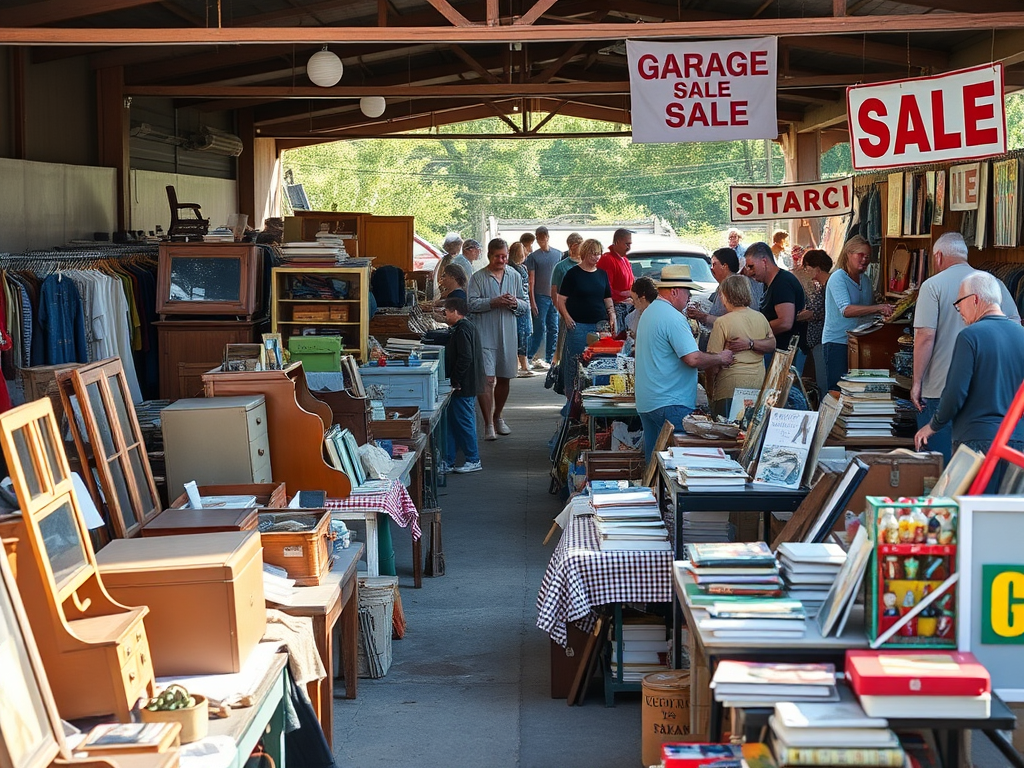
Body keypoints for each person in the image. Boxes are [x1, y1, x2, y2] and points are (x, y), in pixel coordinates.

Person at [911, 231, 1021, 464]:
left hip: (944, 396)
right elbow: (1012, 326)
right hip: (1008, 420)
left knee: (943, 472)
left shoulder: (933, 287)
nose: (959, 312)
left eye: (959, 305)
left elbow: (925, 336)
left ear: (938, 256)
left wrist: (917, 382)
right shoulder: (995, 284)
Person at [634, 264, 734, 461]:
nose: (689, 298)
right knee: (677, 464)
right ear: (674, 292)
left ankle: (654, 492)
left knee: (654, 464)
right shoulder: (673, 317)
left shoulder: (650, 312)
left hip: (648, 401)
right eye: (687, 293)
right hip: (670, 402)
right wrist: (720, 357)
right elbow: (692, 358)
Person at [468, 238, 528, 441]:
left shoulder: (515, 275)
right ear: (489, 255)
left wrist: (514, 303)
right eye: (497, 257)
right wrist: (493, 302)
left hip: (508, 333)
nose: (501, 260)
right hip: (485, 332)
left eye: (504, 256)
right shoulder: (478, 278)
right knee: (487, 379)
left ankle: (498, 415)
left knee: (504, 376)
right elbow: (471, 304)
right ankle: (487, 423)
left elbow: (525, 304)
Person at [822, 235, 893, 391]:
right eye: (860, 255)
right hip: (838, 342)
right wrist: (878, 308)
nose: (865, 259)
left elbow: (867, 311)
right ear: (848, 254)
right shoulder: (838, 278)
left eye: (868, 256)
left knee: (858, 390)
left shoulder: (866, 280)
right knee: (839, 389)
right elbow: (846, 310)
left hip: (860, 342)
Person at [705, 275, 774, 419]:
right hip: (757, 383)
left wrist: (710, 390)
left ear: (725, 296)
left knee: (726, 433)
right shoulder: (760, 317)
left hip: (730, 386)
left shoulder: (722, 322)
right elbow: (772, 344)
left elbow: (713, 363)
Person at [557, 238, 614, 403]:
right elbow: (561, 300)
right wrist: (567, 318)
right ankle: (572, 401)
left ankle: (593, 399)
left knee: (598, 363)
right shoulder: (573, 274)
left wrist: (612, 315)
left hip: (599, 326)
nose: (596, 257)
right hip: (578, 324)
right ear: (585, 253)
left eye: (598, 254)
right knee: (575, 364)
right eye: (593, 254)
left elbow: (607, 298)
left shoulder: (602, 274)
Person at [744, 241, 806, 365]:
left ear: (764, 261)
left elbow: (785, 322)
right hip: (776, 350)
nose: (749, 272)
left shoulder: (782, 283)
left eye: (751, 266)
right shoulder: (769, 284)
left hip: (783, 353)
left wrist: (756, 333)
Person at [442, 296, 484, 474]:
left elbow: (465, 356)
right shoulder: (466, 327)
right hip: (465, 383)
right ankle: (448, 460)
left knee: (465, 422)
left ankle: (473, 459)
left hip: (464, 385)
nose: (444, 316)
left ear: (454, 311)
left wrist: (455, 378)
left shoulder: (461, 330)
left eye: (446, 312)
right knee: (453, 423)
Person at [687, 247, 763, 342]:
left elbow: (733, 321)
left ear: (725, 266)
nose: (711, 269)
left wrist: (702, 316)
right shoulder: (726, 285)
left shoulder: (734, 286)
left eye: (714, 264)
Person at [795, 249, 833, 396]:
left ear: (816, 268)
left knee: (824, 382)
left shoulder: (827, 286)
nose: (806, 271)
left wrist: (793, 317)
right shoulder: (823, 286)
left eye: (807, 267)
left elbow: (814, 312)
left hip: (822, 341)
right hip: (818, 341)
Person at [526, 225, 561, 370]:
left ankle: (549, 358)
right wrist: (532, 300)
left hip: (554, 296)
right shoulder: (533, 257)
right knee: (539, 328)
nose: (541, 241)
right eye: (538, 238)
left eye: (542, 238)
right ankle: (528, 356)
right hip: (540, 296)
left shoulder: (558, 254)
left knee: (554, 328)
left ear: (547, 237)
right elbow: (531, 280)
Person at [550, 232, 583, 366]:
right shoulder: (561, 267)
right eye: (582, 245)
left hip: (585, 313)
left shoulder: (588, 264)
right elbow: (554, 293)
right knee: (565, 347)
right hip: (567, 313)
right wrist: (563, 313)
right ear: (573, 246)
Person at [597, 228, 635, 332]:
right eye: (627, 244)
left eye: (630, 244)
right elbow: (604, 288)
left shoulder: (625, 259)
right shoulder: (607, 259)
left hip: (627, 306)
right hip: (615, 308)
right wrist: (623, 295)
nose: (629, 247)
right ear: (617, 242)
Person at [508, 241, 535, 378]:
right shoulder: (516, 269)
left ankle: (521, 364)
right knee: (522, 335)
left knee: (522, 335)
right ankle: (523, 365)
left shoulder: (516, 268)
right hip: (521, 305)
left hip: (522, 304)